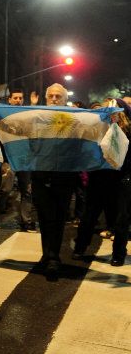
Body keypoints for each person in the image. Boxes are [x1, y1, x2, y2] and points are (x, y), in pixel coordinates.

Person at [31, 83, 81, 281]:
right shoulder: (37, 117)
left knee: (59, 217)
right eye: (50, 96)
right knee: (44, 217)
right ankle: (47, 254)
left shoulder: (74, 118)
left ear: (64, 98)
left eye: (58, 96)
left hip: (64, 176)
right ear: (46, 98)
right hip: (41, 174)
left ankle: (53, 257)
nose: (54, 99)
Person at [73, 98, 131, 266]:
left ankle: (118, 254)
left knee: (121, 219)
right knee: (89, 216)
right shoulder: (98, 129)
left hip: (121, 180)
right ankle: (80, 248)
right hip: (99, 178)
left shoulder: (129, 130)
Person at [0, 88, 36, 231]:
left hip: (25, 160)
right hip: (9, 159)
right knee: (5, 189)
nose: (18, 101)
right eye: (15, 98)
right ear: (9, 100)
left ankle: (26, 221)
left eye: (20, 98)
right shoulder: (2, 116)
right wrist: (2, 160)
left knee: (27, 191)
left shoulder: (27, 116)